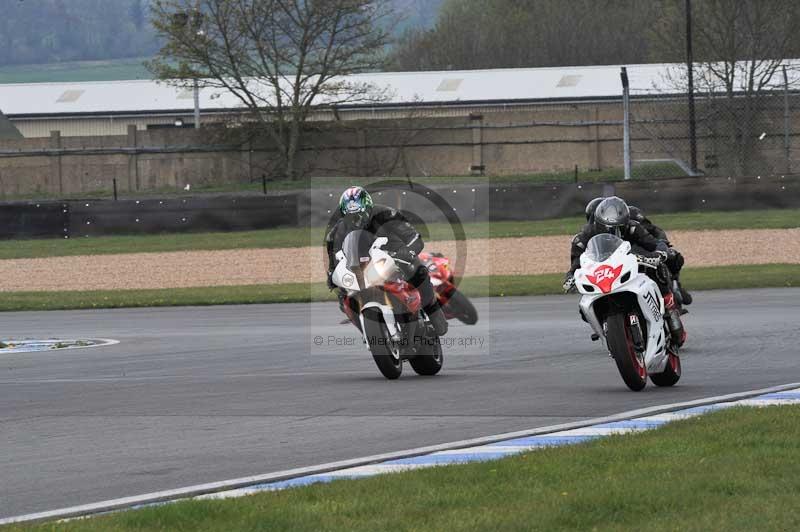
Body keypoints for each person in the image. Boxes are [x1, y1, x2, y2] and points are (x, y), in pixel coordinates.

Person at [325, 186, 448, 336]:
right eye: (351, 217)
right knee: (343, 297)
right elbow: (334, 257)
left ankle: (436, 319)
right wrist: (332, 274)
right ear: (344, 214)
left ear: (368, 208)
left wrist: (408, 251)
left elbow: (413, 236)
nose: (356, 220)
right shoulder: (337, 232)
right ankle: (368, 332)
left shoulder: (386, 214)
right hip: (361, 266)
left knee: (419, 272)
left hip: (395, 255)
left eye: (359, 215)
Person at [563, 196, 685, 346]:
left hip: (633, 258)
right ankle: (604, 325)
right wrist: (570, 277)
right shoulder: (582, 238)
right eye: (606, 226)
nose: (613, 231)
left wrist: (659, 253)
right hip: (604, 271)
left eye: (619, 227)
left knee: (658, 267)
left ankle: (669, 306)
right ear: (598, 222)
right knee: (583, 309)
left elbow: (652, 242)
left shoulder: (632, 226)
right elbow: (576, 265)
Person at [628, 205, 692, 305]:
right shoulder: (607, 231)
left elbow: (655, 232)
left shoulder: (634, 219)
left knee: (673, 256)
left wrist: (662, 245)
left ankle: (675, 283)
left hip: (650, 249)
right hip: (631, 257)